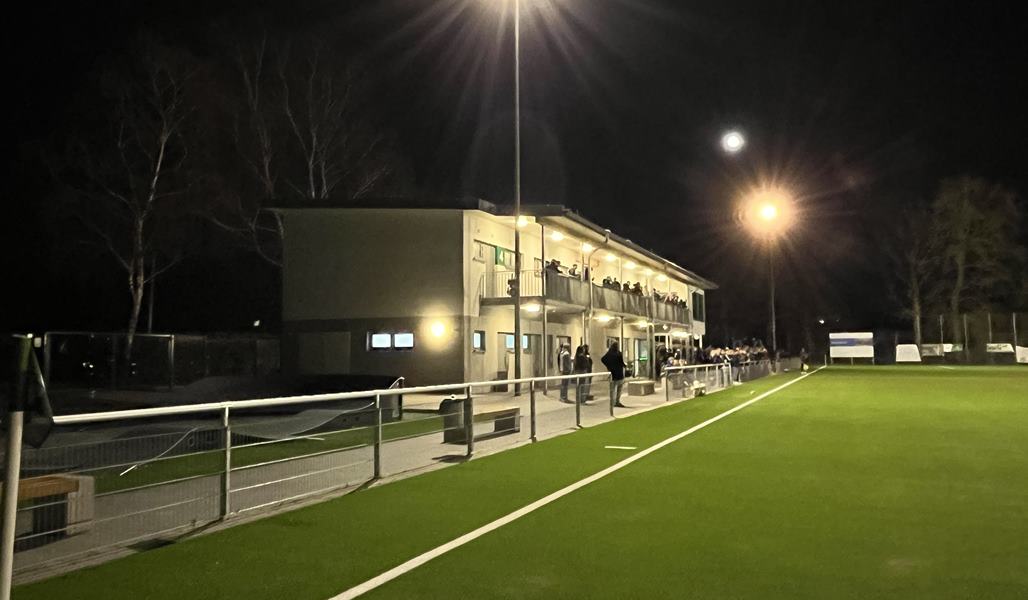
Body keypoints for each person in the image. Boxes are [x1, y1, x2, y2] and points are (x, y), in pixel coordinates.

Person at [602, 341, 628, 408]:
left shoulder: (609, 353)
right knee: (619, 389)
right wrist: (625, 366)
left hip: (612, 373)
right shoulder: (618, 353)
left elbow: (603, 359)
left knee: (612, 389)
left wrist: (609, 366)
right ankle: (617, 401)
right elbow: (621, 362)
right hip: (619, 373)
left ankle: (612, 402)